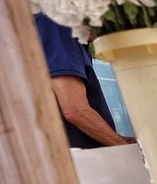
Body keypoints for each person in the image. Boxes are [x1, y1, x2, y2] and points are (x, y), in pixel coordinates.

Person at [34, 13, 132, 148]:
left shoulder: (60, 30)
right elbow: (75, 111)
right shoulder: (58, 27)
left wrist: (124, 141)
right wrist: (125, 149)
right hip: (77, 161)